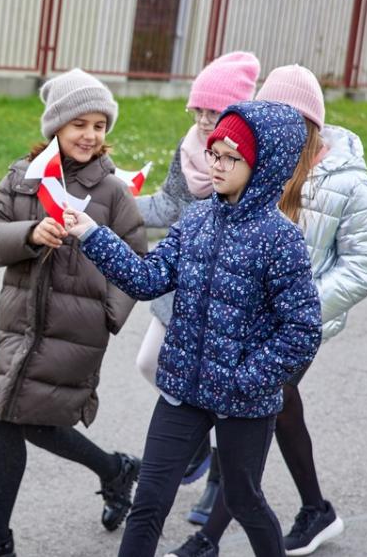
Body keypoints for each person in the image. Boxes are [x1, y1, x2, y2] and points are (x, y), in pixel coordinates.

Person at [64, 100, 323, 557]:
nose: (217, 165)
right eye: (213, 153)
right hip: (182, 390)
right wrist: (92, 234)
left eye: (231, 158)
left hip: (243, 401)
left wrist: (246, 380)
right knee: (148, 503)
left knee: (244, 500)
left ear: (263, 165)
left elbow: (301, 330)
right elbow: (148, 279)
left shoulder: (281, 238)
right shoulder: (197, 217)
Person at [169, 64, 367, 557]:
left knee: (258, 406)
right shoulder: (263, 160)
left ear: (308, 124)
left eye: (284, 115)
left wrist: (301, 307)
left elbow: (366, 262)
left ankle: (208, 538)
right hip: (246, 314)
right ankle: (316, 509)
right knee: (277, 412)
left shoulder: (346, 178)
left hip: (296, 323)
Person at [0, 68, 147, 557]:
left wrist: (108, 314)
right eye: (79, 124)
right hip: (21, 323)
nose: (90, 135)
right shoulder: (25, 177)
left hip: (75, 329)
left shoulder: (111, 191)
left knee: (16, 413)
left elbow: (136, 256)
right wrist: (30, 234)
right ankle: (114, 470)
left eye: (99, 125)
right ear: (56, 125)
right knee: (16, 412)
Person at [136, 51, 261, 517]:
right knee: (150, 362)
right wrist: (111, 203)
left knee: (225, 392)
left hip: (229, 295)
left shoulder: (252, 159)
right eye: (199, 110)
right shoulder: (190, 148)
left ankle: (218, 482)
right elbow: (168, 206)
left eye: (215, 111)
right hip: (182, 285)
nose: (205, 120)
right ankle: (198, 443)